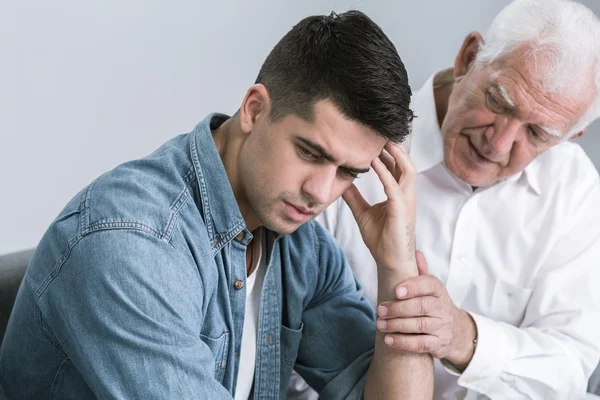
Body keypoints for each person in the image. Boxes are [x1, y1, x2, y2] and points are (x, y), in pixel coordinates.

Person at [0, 10, 435, 400]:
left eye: (347, 172)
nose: (321, 193)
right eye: (310, 153)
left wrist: (398, 265)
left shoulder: (304, 248)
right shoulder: (132, 246)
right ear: (254, 109)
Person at [291, 0, 600, 399]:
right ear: (469, 57)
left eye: (538, 134)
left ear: (569, 137)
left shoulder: (575, 192)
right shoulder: (355, 139)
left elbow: (571, 367)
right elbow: (282, 337)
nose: (499, 142)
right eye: (499, 101)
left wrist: (464, 337)